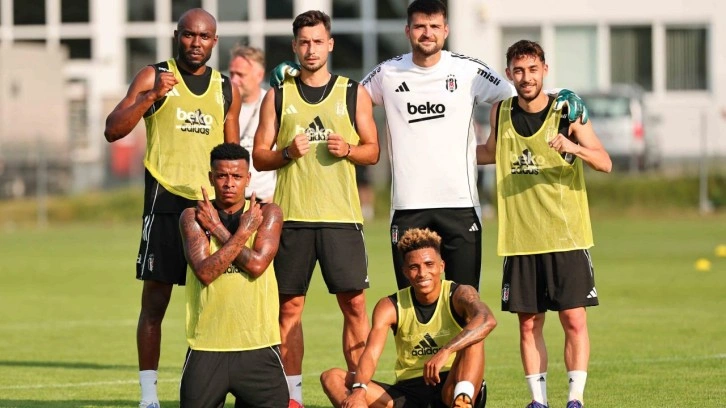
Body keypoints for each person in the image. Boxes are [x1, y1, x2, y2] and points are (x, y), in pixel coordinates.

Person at [269, 0, 588, 293]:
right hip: (408, 206)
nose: (427, 33)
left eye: (434, 26)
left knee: (465, 299)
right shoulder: (387, 73)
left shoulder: (469, 71)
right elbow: (342, 98)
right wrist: (298, 76)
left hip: (460, 204)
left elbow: (523, 92)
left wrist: (560, 93)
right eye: (420, 26)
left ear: (446, 30)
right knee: (412, 302)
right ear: (407, 30)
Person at [103, 8, 241, 408]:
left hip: (208, 210)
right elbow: (113, 129)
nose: (196, 43)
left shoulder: (225, 87)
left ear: (215, 41)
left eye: (204, 37)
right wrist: (151, 97)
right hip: (164, 203)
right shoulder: (154, 75)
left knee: (217, 303)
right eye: (189, 35)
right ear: (176, 35)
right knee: (155, 303)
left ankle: (216, 387)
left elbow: (233, 155)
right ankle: (149, 396)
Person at [252, 10, 380, 408]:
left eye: (318, 41)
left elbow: (373, 151)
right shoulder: (277, 95)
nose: (311, 49)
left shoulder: (352, 92)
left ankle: (358, 392)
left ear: (330, 44)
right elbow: (259, 156)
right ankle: (293, 399)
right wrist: (286, 153)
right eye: (304, 42)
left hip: (342, 218)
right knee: (289, 308)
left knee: (354, 306)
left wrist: (350, 150)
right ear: (295, 46)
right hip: (292, 219)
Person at [477, 40, 612, 408]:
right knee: (528, 324)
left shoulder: (568, 111)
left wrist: (574, 147)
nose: (526, 77)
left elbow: (604, 162)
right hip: (520, 239)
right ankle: (538, 401)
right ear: (509, 74)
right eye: (519, 71)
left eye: (533, 69)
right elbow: (489, 152)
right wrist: (441, 151)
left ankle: (575, 399)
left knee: (573, 319)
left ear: (545, 70)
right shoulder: (501, 112)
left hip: (567, 237)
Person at [320, 228, 497, 408]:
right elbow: (371, 354)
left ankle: (462, 403)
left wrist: (445, 351)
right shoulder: (390, 306)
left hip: (452, 385)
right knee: (332, 377)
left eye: (429, 264)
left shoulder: (460, 294)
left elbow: (487, 320)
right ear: (405, 271)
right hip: (408, 392)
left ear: (441, 266)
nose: (422, 273)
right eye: (414, 267)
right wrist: (359, 390)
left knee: (475, 332)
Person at [178, 143, 287, 408]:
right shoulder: (193, 217)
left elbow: (257, 265)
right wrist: (240, 233)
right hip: (207, 346)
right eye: (222, 176)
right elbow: (205, 272)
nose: (229, 183)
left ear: (248, 178)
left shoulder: (267, 214)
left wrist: (218, 228)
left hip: (258, 346)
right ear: (211, 177)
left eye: (237, 176)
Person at [229, 45, 277, 203]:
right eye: (231, 74)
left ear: (259, 75)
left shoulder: (274, 104)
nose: (234, 80)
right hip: (229, 203)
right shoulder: (222, 105)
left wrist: (275, 198)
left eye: (240, 74)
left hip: (265, 200)